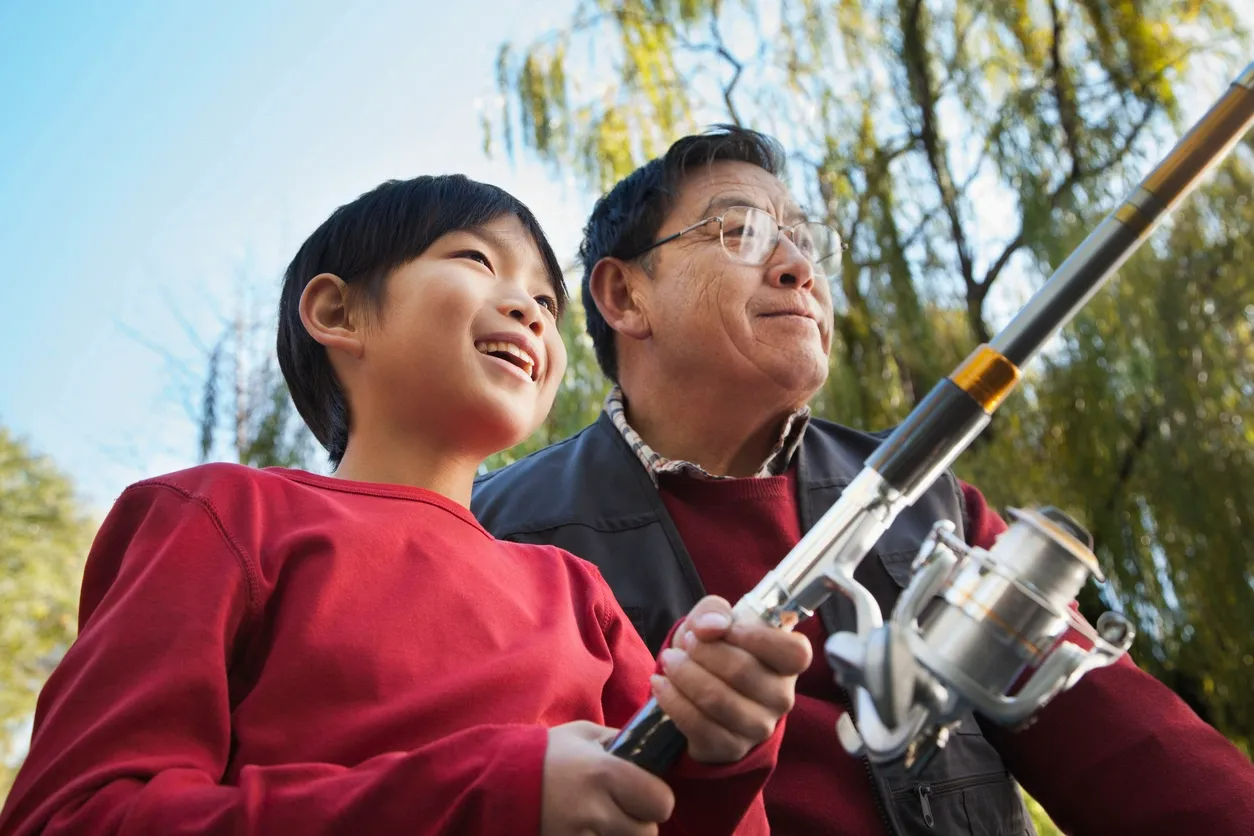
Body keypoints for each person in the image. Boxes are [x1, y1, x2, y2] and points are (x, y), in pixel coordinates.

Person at [472, 126, 1254, 835]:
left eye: (805, 241)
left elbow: (1136, 751)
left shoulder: (936, 505)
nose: (798, 268)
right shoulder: (499, 533)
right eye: (741, 231)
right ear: (623, 295)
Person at [0, 175, 813, 836]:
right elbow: (76, 816)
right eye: (476, 259)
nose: (530, 310)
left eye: (547, 302)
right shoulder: (220, 516)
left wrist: (714, 749)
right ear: (337, 312)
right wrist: (489, 797)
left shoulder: (576, 593)